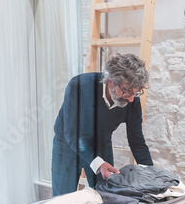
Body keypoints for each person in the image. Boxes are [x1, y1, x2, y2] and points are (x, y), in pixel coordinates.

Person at [51, 53, 153, 196]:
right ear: (111, 81)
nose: (131, 98)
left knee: (105, 197)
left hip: (100, 144)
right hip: (67, 144)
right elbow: (72, 134)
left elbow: (136, 140)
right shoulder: (79, 86)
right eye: (127, 91)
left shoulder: (132, 100)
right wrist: (97, 163)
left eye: (135, 92)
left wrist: (151, 173)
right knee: (62, 199)